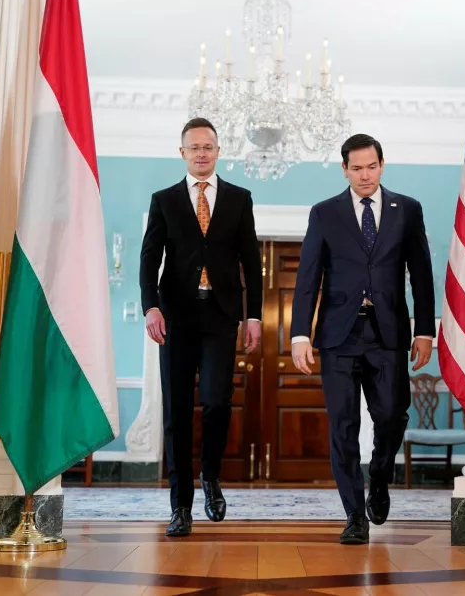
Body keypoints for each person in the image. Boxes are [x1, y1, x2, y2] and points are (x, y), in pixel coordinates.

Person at [290, 133, 435, 545]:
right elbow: (307, 278)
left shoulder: (407, 210)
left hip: (388, 333)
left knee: (392, 414)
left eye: (371, 166)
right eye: (356, 168)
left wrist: (425, 331)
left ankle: (380, 478)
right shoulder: (324, 213)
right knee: (343, 426)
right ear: (344, 170)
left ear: (382, 165)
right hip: (338, 336)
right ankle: (355, 515)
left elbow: (422, 277)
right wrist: (301, 333)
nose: (365, 175)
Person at [139, 117, 262, 537]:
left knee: (216, 403)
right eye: (194, 147)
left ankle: (211, 478)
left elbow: (251, 263)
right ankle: (181, 506)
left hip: (222, 316)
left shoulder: (239, 199)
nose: (202, 153)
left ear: (218, 150)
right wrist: (150, 308)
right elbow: (148, 259)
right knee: (176, 414)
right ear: (183, 153)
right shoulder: (164, 200)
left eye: (208, 146)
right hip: (175, 318)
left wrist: (255, 315)